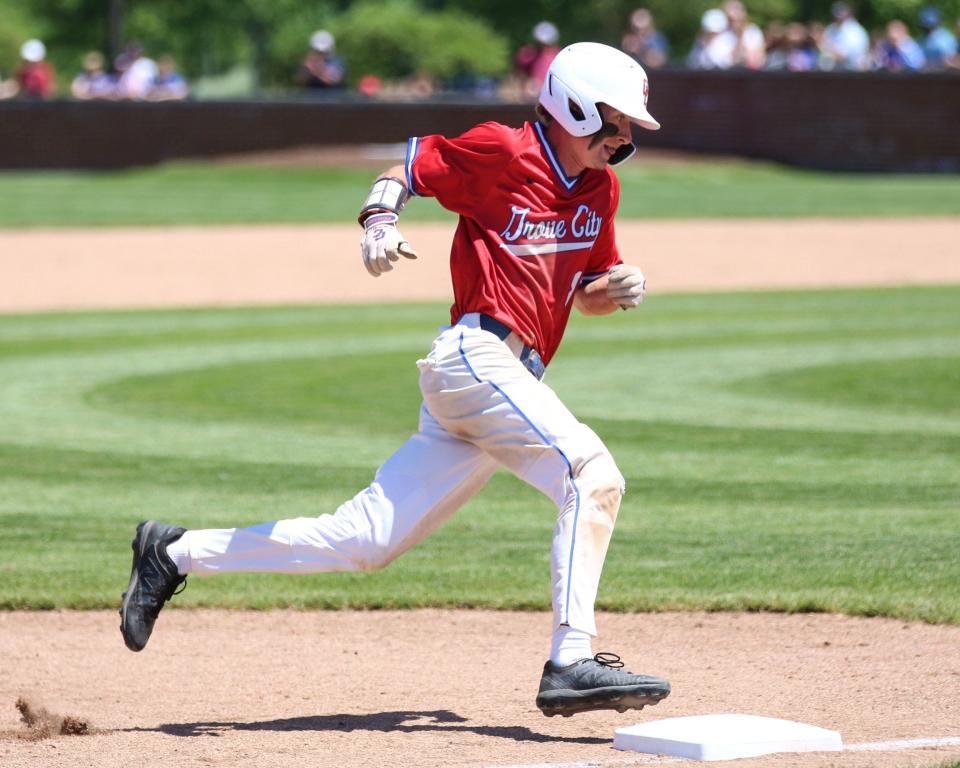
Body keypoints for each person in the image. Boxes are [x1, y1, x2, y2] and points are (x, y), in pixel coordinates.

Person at [119, 41, 673, 719]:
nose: (622, 141)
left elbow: (583, 291)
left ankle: (174, 552)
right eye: (614, 123)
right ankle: (571, 659)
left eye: (627, 130)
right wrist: (379, 219)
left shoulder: (600, 188)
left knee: (366, 540)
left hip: (504, 383)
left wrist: (612, 289)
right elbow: (405, 166)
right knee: (593, 475)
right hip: (475, 358)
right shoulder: (504, 150)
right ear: (573, 105)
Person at [514, 21, 561, 98]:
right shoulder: (527, 54)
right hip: (529, 96)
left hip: (550, 95)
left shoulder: (558, 55)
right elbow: (519, 76)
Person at [820, 2, 870, 70]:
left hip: (853, 71)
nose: (838, 17)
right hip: (836, 71)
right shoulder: (831, 28)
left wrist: (829, 51)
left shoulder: (855, 30)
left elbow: (843, 56)